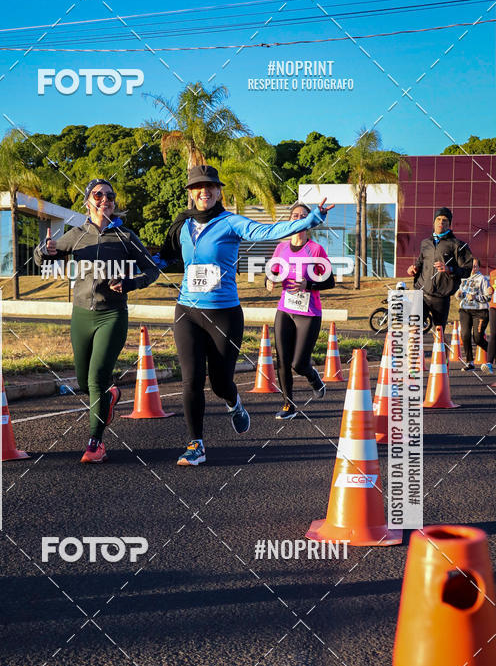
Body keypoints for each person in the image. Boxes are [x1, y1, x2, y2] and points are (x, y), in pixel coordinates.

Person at [156, 164, 333, 466]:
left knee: (220, 382)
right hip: (187, 310)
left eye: (210, 186)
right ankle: (195, 444)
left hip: (224, 313)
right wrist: (133, 269)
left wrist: (312, 218)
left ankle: (233, 402)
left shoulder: (231, 222)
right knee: (191, 380)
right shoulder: (182, 225)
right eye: (198, 187)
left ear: (218, 191)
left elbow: (268, 231)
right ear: (190, 192)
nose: (204, 191)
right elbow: (162, 256)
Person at [34, 178, 159, 463]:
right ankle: (111, 396)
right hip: (80, 315)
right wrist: (45, 250)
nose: (105, 199)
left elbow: (152, 270)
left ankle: (95, 442)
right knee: (83, 381)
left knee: (96, 378)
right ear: (87, 201)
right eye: (98, 194)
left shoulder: (125, 237)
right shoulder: (76, 235)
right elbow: (43, 259)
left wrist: (130, 284)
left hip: (112, 315)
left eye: (110, 196)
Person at [265, 202, 335, 419]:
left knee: (299, 363)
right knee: (283, 359)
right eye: (295, 215)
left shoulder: (315, 249)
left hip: (309, 312)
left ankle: (314, 377)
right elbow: (272, 273)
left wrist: (309, 285)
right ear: (290, 219)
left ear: (309, 221)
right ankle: (288, 405)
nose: (298, 218)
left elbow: (330, 281)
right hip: (285, 309)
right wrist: (269, 281)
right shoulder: (281, 248)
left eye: (303, 215)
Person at [407, 207, 473, 331]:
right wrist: (414, 269)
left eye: (445, 220)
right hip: (421, 292)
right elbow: (420, 263)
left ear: (449, 224)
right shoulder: (425, 243)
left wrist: (450, 269)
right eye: (438, 219)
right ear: (434, 222)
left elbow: (467, 270)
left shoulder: (457, 245)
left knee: (439, 332)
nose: (441, 222)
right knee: (414, 328)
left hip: (441, 296)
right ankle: (413, 351)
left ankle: (444, 350)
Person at [455, 258, 493, 370]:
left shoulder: (483, 279)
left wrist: (476, 297)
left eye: (475, 266)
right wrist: (459, 294)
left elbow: (489, 297)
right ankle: (470, 362)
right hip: (465, 310)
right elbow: (459, 295)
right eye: (471, 265)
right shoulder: (464, 278)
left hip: (480, 312)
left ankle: (493, 353)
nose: (473, 268)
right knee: (465, 335)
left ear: (478, 267)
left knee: (478, 338)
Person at [484, 265, 496, 375]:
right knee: (493, 335)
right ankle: (489, 364)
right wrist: (490, 290)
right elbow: (492, 288)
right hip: (494, 307)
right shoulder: (493, 274)